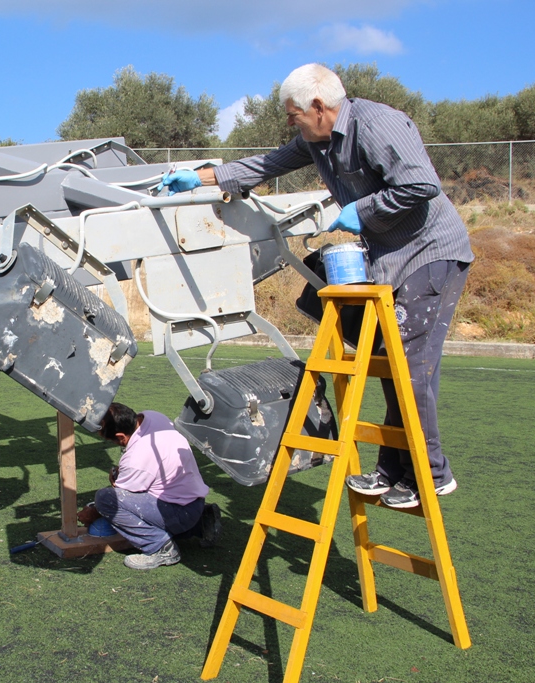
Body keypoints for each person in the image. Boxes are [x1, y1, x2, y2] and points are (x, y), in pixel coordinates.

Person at [161, 63, 474, 510]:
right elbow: (266, 165)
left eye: (293, 115)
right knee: (388, 361)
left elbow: (422, 183)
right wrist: (201, 177)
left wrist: (362, 212)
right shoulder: (318, 140)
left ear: (319, 107)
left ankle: (432, 474)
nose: (291, 123)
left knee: (409, 365)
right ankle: (393, 470)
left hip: (431, 253)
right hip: (391, 258)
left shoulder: (378, 124)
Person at [78, 403, 222, 569]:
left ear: (120, 437)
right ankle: (202, 522)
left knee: (105, 499)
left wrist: (94, 511)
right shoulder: (153, 417)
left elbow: (121, 497)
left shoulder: (135, 459)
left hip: (178, 512)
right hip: (194, 503)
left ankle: (161, 548)